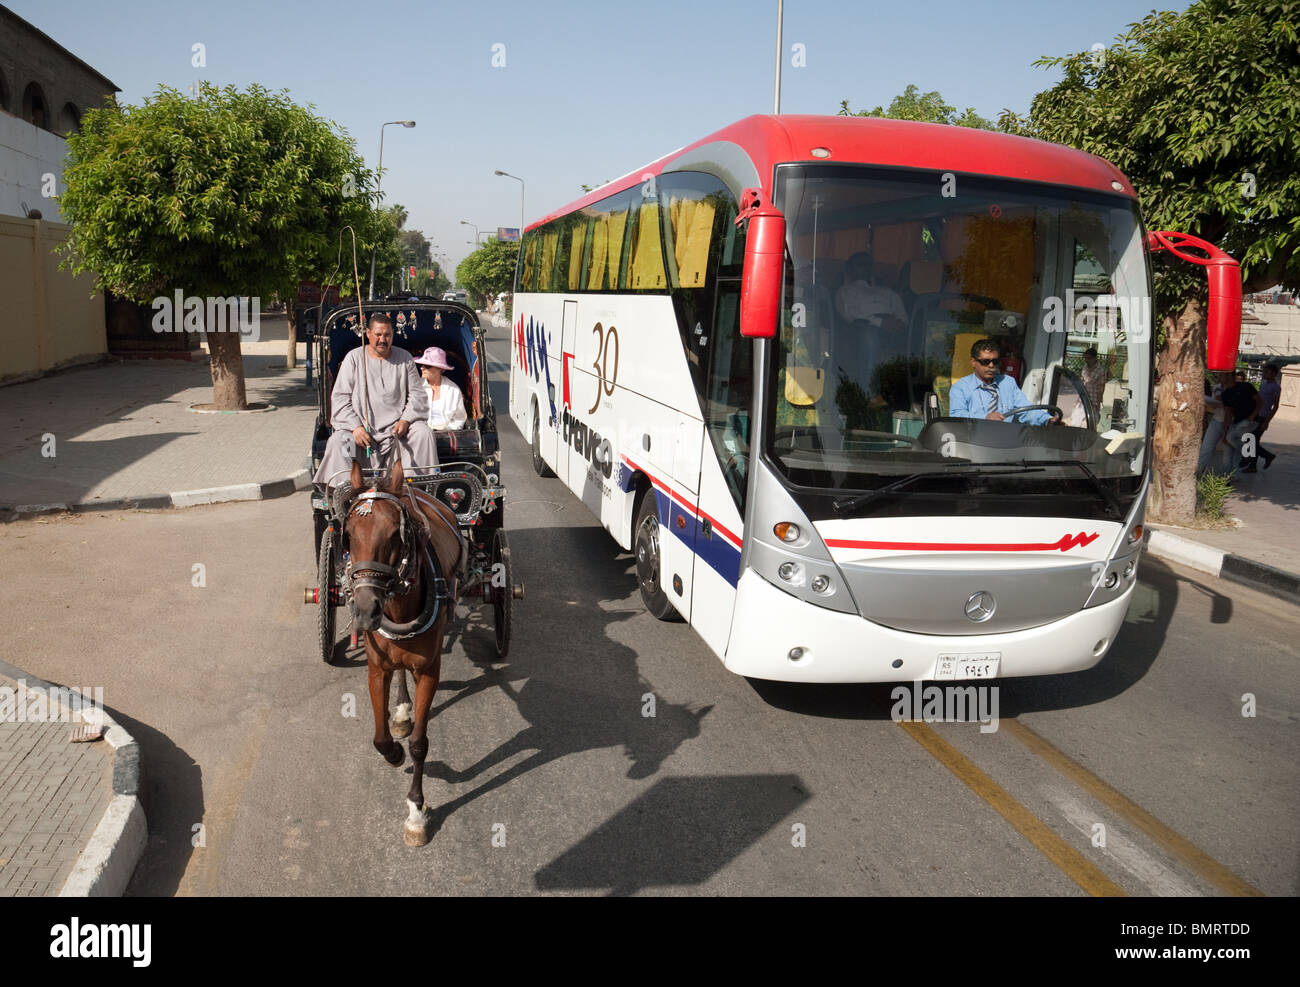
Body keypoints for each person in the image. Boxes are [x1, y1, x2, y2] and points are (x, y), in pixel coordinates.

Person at [311, 313, 438, 505]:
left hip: (396, 436)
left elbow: (417, 396)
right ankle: (344, 501)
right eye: (378, 334)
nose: (382, 339)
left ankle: (418, 496)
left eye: (387, 335)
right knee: (339, 441)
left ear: (392, 335)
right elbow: (340, 398)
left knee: (423, 433)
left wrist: (406, 420)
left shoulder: (404, 359)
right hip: (363, 437)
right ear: (368, 333)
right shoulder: (353, 358)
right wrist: (355, 427)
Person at [948, 339, 1059, 425]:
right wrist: (985, 417)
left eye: (995, 361)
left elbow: (1026, 410)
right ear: (973, 362)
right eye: (985, 361)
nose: (991, 366)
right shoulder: (960, 387)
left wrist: (1047, 420)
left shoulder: (1008, 383)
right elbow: (956, 416)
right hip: (974, 441)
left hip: (1005, 441)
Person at [413, 346, 467, 431]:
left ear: (440, 368)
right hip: (420, 433)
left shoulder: (453, 390)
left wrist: (444, 432)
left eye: (427, 365)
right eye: (422, 364)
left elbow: (459, 420)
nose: (422, 368)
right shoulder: (416, 386)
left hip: (447, 435)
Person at [1222, 370, 1261, 473]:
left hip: (1250, 421)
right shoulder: (1226, 394)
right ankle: (1233, 474)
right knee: (1230, 446)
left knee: (1231, 437)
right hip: (1237, 422)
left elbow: (1259, 402)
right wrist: (1224, 432)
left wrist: (1252, 416)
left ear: (1229, 375)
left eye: (1222, 376)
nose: (1220, 378)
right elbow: (1228, 414)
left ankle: (1246, 455)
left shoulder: (1246, 387)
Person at [1247, 363, 1281, 470]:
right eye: (1264, 371)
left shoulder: (1276, 387)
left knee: (1253, 440)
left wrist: (1267, 422)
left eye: (1267, 372)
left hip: (1263, 417)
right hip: (1257, 414)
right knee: (1252, 440)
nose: (1264, 374)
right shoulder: (1263, 383)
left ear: (1274, 374)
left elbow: (1275, 406)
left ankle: (1267, 456)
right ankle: (1253, 465)